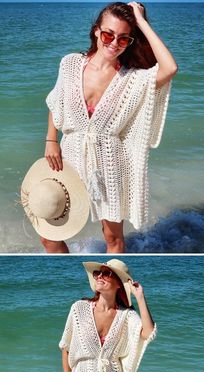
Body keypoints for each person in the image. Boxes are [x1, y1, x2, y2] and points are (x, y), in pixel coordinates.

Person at [44, 2, 178, 254]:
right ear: (96, 31)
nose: (114, 43)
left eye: (124, 38)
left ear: (131, 40)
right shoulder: (70, 64)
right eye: (108, 34)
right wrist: (51, 140)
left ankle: (109, 274)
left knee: (112, 238)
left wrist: (141, 21)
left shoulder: (133, 79)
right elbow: (56, 101)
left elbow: (170, 68)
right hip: (68, 156)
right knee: (49, 234)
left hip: (109, 162)